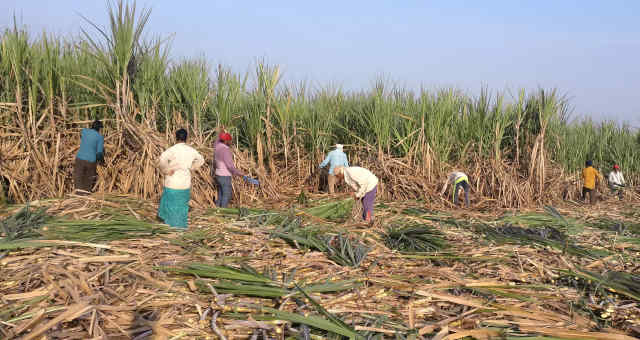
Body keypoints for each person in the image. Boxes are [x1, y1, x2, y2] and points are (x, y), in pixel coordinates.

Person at [157, 128, 204, 229]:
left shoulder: (172, 149)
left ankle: (169, 228)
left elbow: (162, 159)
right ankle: (179, 228)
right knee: (182, 206)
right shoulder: (191, 150)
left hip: (172, 181)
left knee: (171, 205)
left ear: (176, 138)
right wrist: (192, 167)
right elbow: (201, 160)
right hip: (185, 182)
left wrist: (166, 170)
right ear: (186, 138)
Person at [213, 132, 246, 207]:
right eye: (229, 140)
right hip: (224, 175)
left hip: (218, 174)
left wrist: (221, 132)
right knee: (227, 195)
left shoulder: (217, 146)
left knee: (221, 194)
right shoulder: (225, 150)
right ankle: (224, 212)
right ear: (226, 141)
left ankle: (217, 209)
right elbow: (229, 166)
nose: (230, 142)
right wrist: (239, 173)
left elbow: (217, 140)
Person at [74, 120, 105, 194]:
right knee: (88, 178)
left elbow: (77, 128)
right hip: (91, 161)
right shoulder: (100, 137)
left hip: (80, 158)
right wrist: (102, 161)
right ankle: (86, 194)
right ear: (99, 128)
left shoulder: (84, 131)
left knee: (78, 176)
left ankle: (78, 194)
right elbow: (99, 153)